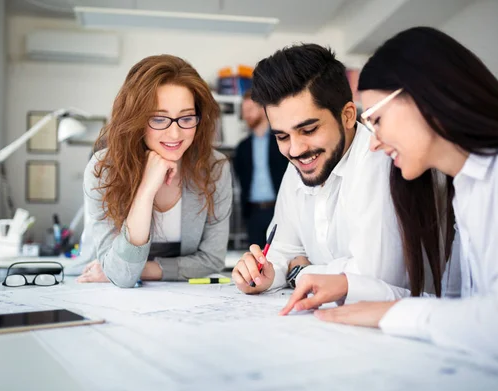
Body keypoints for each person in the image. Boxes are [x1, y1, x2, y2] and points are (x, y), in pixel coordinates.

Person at [281, 27, 498, 364]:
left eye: (377, 120)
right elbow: (457, 306)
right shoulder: (467, 185)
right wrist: (350, 288)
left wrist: (393, 312)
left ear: (425, 97)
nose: (372, 142)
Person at [232, 44, 418, 297]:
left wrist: (301, 273)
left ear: (348, 116)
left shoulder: (380, 159)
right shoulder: (297, 164)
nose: (295, 150)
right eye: (282, 136)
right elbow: (282, 251)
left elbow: (373, 278)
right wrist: (266, 273)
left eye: (308, 130)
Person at [77, 54, 233, 287]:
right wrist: (146, 189)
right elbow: (120, 277)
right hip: (98, 288)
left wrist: (144, 269)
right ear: (135, 119)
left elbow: (211, 260)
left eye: (187, 118)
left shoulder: (213, 168)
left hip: (180, 296)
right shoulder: (104, 169)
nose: (175, 134)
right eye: (159, 119)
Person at [233, 89, 288, 247]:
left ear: (263, 109)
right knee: (256, 262)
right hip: (253, 213)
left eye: (250, 110)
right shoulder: (242, 147)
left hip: (279, 210)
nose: (246, 115)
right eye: (244, 111)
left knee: (282, 256)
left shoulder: (281, 140)